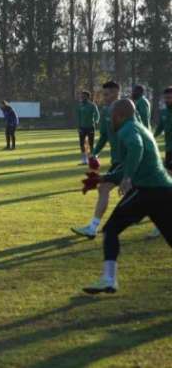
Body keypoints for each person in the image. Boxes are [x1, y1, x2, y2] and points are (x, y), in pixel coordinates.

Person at [82, 99, 172, 294]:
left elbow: (136, 149)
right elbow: (131, 162)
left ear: (119, 115)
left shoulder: (127, 130)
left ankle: (109, 279)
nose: (110, 119)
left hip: (147, 190)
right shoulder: (138, 127)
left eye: (112, 115)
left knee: (111, 229)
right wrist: (103, 178)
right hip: (164, 189)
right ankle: (108, 279)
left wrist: (128, 178)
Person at [72, 81, 123, 239]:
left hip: (130, 161)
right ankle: (93, 228)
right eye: (103, 94)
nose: (104, 97)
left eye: (107, 94)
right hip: (118, 161)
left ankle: (162, 222)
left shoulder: (126, 110)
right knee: (103, 188)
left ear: (116, 94)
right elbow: (104, 136)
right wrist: (94, 153)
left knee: (142, 196)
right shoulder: (106, 111)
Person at [76, 91, 100, 165]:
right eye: (81, 96)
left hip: (90, 127)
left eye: (84, 96)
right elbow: (78, 117)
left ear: (87, 97)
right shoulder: (80, 106)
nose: (82, 97)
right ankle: (84, 160)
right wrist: (78, 126)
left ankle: (93, 158)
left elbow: (97, 114)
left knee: (91, 144)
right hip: (82, 127)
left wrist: (96, 121)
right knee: (82, 143)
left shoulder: (92, 105)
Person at [154, 87, 172, 173]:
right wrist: (151, 137)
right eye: (165, 98)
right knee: (168, 172)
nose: (166, 100)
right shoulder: (163, 112)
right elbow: (160, 128)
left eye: (169, 98)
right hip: (168, 148)